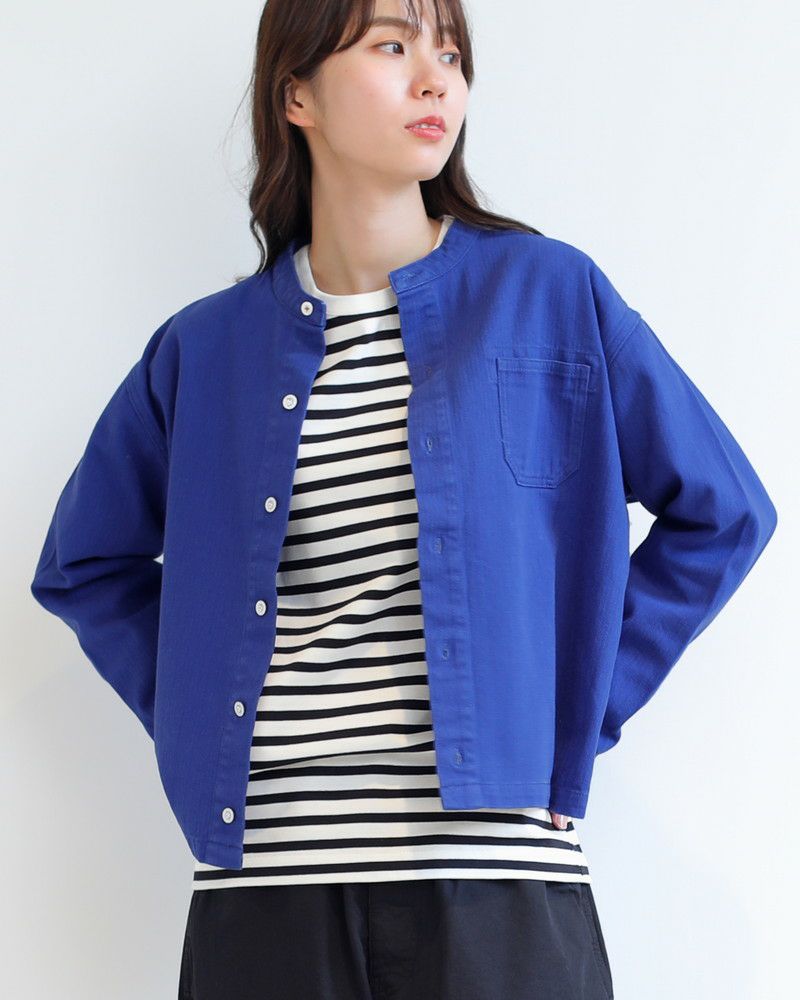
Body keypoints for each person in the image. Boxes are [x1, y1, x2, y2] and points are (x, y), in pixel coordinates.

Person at [30, 1, 778, 998]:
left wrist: (576, 708)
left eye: (451, 54)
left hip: (496, 888)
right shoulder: (203, 351)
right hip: (268, 893)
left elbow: (724, 512)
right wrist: (201, 714)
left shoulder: (548, 294)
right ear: (296, 95)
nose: (436, 79)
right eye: (393, 45)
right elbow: (82, 565)